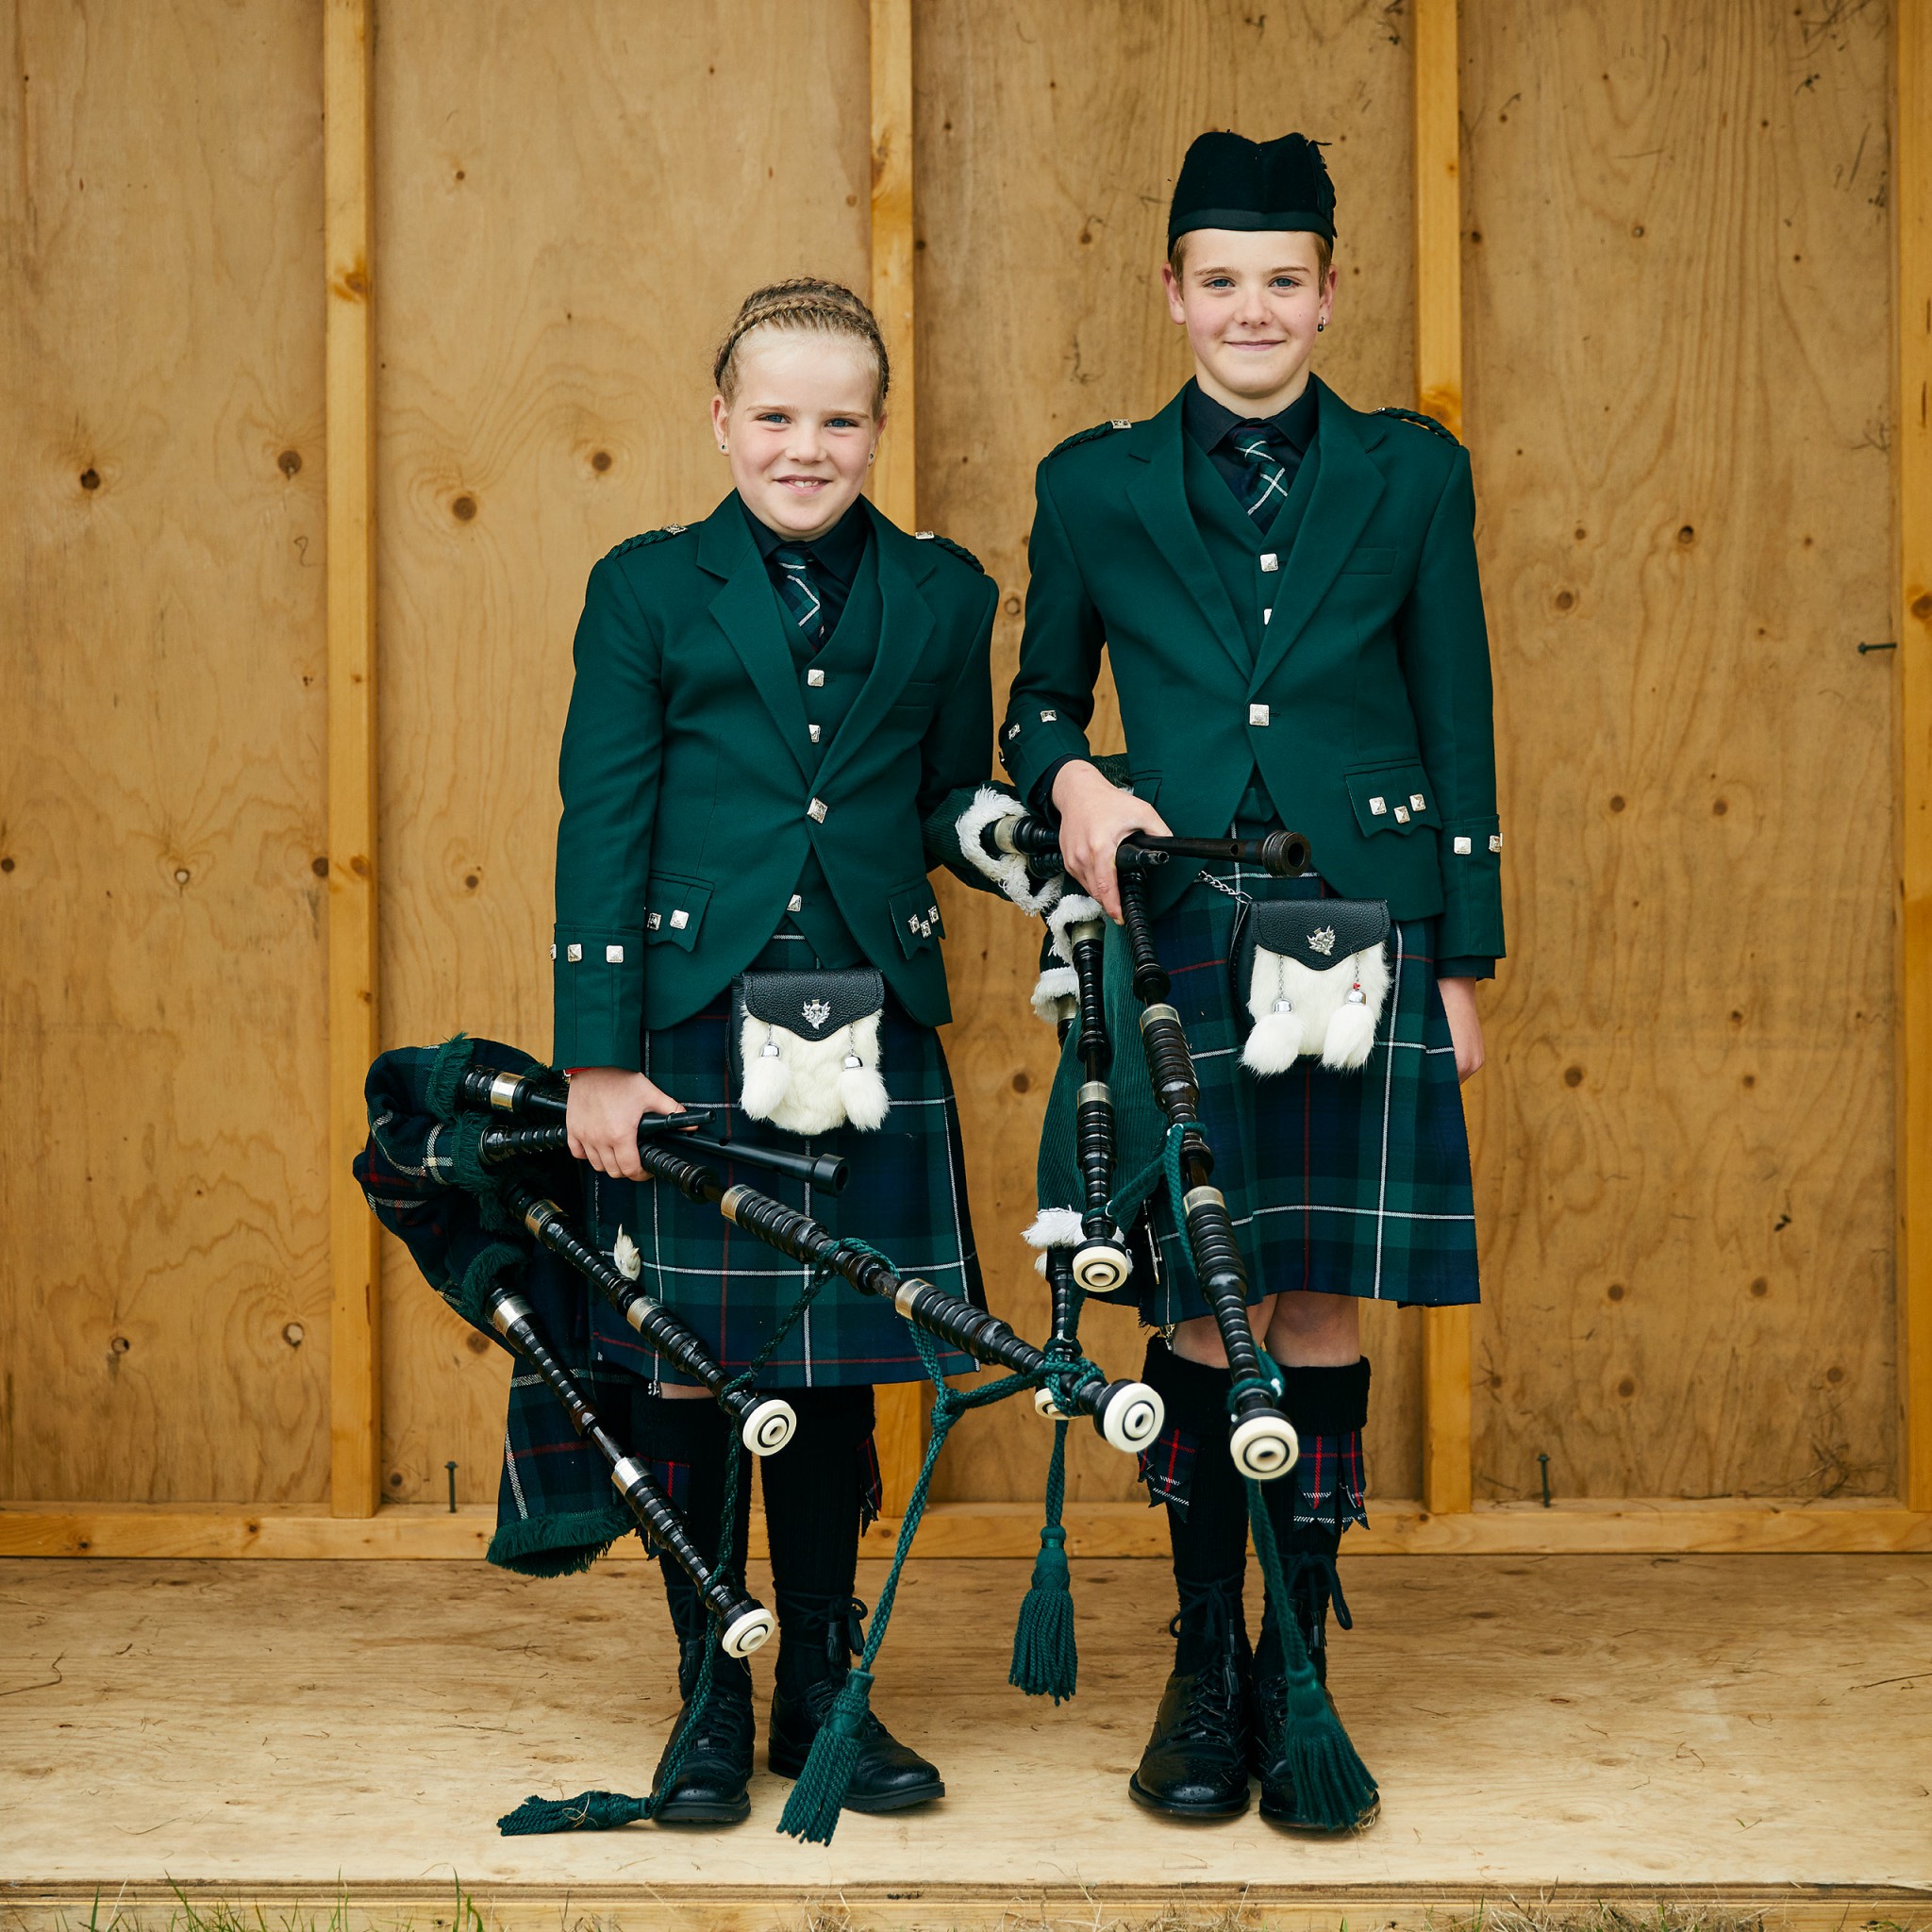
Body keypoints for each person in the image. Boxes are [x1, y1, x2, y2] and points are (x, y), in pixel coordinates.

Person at [1001, 132, 1502, 1829]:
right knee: (1203, 1300)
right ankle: (1206, 1656)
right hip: (1185, 930)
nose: (1253, 309)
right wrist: (1072, 780)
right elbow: (1035, 703)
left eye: (1284, 279)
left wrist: (1465, 954)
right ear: (1173, 295)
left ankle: (1306, 1664)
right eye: (1221, 280)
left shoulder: (1414, 478)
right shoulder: (1094, 482)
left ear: (1330, 293)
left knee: (1313, 1296)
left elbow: (1460, 722)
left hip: (1367, 928)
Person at [545, 277, 998, 1825]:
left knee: (838, 1362)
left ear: (878, 427)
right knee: (687, 1371)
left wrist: (1024, 838)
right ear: (722, 419)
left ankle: (824, 1690)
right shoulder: (648, 586)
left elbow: (946, 801)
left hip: (870, 1019)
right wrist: (594, 1058)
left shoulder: (944, 594)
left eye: (841, 419)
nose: (807, 447)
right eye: (777, 416)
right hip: (687, 1026)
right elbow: (601, 818)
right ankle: (707, 1693)